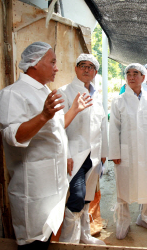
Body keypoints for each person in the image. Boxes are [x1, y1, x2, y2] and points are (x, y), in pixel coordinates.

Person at [0, 42, 92, 249]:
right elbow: (14, 136)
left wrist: (74, 110)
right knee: (33, 242)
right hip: (33, 189)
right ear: (34, 63)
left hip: (52, 186)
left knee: (45, 239)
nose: (57, 68)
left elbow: (55, 128)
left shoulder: (45, 92)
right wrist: (43, 115)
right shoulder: (13, 94)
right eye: (53, 62)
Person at [109, 63, 147, 240]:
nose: (132, 76)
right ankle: (123, 220)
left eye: (136, 73)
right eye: (129, 74)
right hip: (126, 153)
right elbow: (113, 128)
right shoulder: (118, 101)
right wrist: (115, 153)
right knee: (124, 186)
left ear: (144, 77)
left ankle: (145, 216)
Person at [57, 54, 107, 245]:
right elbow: (58, 127)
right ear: (76, 69)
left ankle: (85, 236)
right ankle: (68, 242)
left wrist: (104, 155)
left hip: (93, 156)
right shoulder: (64, 93)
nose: (86, 69)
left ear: (95, 72)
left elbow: (103, 128)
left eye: (91, 67)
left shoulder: (97, 96)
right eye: (82, 66)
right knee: (76, 197)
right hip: (74, 156)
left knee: (87, 198)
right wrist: (67, 154)